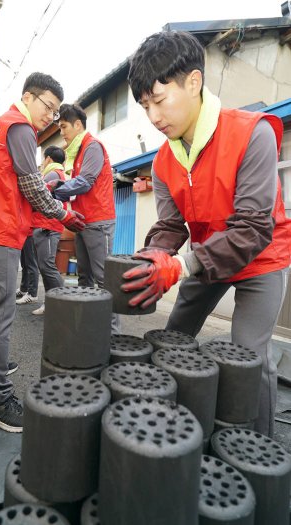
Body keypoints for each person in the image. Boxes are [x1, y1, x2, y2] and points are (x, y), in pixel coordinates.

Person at [122, 31, 291, 438]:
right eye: (146, 106)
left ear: (193, 82)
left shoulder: (253, 134)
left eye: (159, 101)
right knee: (172, 336)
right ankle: (169, 430)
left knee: (249, 357)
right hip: (205, 258)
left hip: (260, 259)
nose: (154, 117)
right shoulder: (164, 160)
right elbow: (169, 224)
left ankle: (259, 452)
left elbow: (253, 228)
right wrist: (154, 258)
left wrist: (181, 265)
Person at [0, 72, 85, 433]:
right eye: (48, 106)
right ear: (28, 97)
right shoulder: (20, 128)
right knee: (1, 312)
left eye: (57, 112)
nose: (51, 116)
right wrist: (65, 214)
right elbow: (32, 186)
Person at [54, 104, 120, 332]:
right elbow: (77, 184)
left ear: (78, 125)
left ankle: (111, 333)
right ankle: (88, 326)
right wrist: (60, 186)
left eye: (64, 127)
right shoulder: (79, 151)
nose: (62, 132)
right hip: (83, 221)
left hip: (99, 222)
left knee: (103, 278)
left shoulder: (92, 146)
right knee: (84, 276)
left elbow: (84, 182)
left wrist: (55, 191)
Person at [30, 145, 66, 315]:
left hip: (47, 226)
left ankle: (63, 301)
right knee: (45, 266)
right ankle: (51, 302)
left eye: (43, 159)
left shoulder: (52, 173)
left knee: (47, 266)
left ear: (48, 159)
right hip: (46, 224)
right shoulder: (57, 173)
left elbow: (38, 196)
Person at [15, 234, 39, 305]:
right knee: (24, 263)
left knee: (31, 264)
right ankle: (24, 289)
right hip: (24, 233)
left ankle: (32, 294)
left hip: (31, 233)